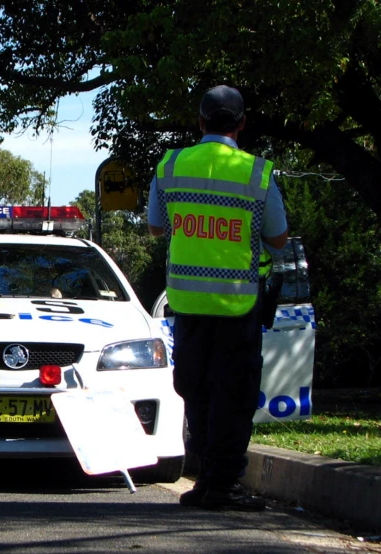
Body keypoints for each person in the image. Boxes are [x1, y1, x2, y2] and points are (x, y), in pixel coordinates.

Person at [147, 85, 288, 511]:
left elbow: (156, 228)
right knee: (234, 395)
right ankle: (223, 485)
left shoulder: (170, 166)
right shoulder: (257, 174)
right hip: (237, 306)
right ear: (241, 124)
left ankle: (206, 481)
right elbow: (278, 240)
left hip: (188, 307)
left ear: (201, 121)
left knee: (198, 392)